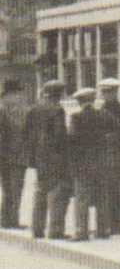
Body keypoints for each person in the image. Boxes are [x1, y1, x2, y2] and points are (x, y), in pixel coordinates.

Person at [24, 80, 71, 239]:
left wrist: (32, 156)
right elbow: (59, 135)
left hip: (39, 157)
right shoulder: (57, 110)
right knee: (58, 192)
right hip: (55, 156)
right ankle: (56, 230)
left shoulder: (34, 108)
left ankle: (37, 228)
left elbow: (26, 134)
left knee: (40, 191)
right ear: (58, 93)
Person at [69, 87, 116, 241]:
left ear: (79, 102)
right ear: (93, 100)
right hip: (102, 162)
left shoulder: (76, 117)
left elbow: (72, 140)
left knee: (82, 198)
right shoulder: (104, 115)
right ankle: (103, 230)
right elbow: (118, 130)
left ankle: (81, 231)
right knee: (102, 196)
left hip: (82, 164)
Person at [98, 78, 120, 236]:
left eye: (110, 92)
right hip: (103, 155)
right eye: (105, 92)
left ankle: (114, 226)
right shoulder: (100, 110)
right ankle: (105, 226)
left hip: (116, 156)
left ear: (115, 93)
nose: (107, 95)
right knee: (104, 191)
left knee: (113, 192)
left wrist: (113, 137)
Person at [0, 79, 30, 229]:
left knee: (6, 188)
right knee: (16, 187)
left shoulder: (2, 104)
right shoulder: (21, 104)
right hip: (18, 152)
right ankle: (12, 220)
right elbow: (26, 126)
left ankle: (5, 219)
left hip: (3, 153)